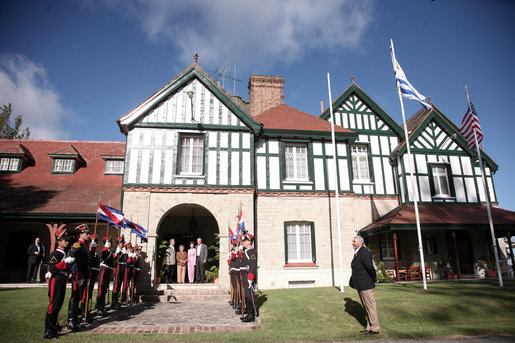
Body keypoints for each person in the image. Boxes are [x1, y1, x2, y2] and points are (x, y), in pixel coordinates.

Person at [44, 229, 73, 340]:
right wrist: (64, 262)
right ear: (59, 242)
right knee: (53, 305)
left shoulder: (64, 253)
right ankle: (48, 330)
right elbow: (52, 268)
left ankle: (54, 327)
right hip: (56, 280)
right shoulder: (55, 254)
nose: (67, 242)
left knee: (58, 305)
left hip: (62, 279)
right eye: (64, 240)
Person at [349, 235, 380, 335]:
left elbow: (370, 267)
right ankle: (369, 327)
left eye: (354, 241)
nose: (352, 243)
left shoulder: (364, 252)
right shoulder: (357, 253)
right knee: (366, 307)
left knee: (370, 306)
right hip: (360, 284)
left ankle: (375, 328)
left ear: (360, 242)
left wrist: (374, 278)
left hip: (366, 284)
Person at [67, 224, 90, 331]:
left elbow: (86, 263)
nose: (88, 235)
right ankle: (71, 321)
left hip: (83, 275)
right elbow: (76, 262)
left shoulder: (84, 245)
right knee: (75, 297)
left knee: (78, 297)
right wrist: (80, 276)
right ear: (81, 234)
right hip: (78, 276)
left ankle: (75, 320)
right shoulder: (77, 245)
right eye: (86, 233)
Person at [240, 234, 257, 322]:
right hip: (244, 274)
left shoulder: (251, 252)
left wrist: (250, 278)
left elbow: (253, 265)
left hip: (248, 275)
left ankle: (251, 315)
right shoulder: (246, 251)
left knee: (250, 295)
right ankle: (248, 313)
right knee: (247, 294)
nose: (243, 242)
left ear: (249, 241)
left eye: (245, 241)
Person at [96, 236, 114, 316]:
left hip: (107, 272)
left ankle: (102, 307)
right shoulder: (105, 251)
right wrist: (105, 248)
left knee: (104, 290)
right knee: (101, 290)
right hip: (103, 271)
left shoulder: (109, 252)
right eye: (110, 242)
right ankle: (99, 308)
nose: (112, 244)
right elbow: (103, 256)